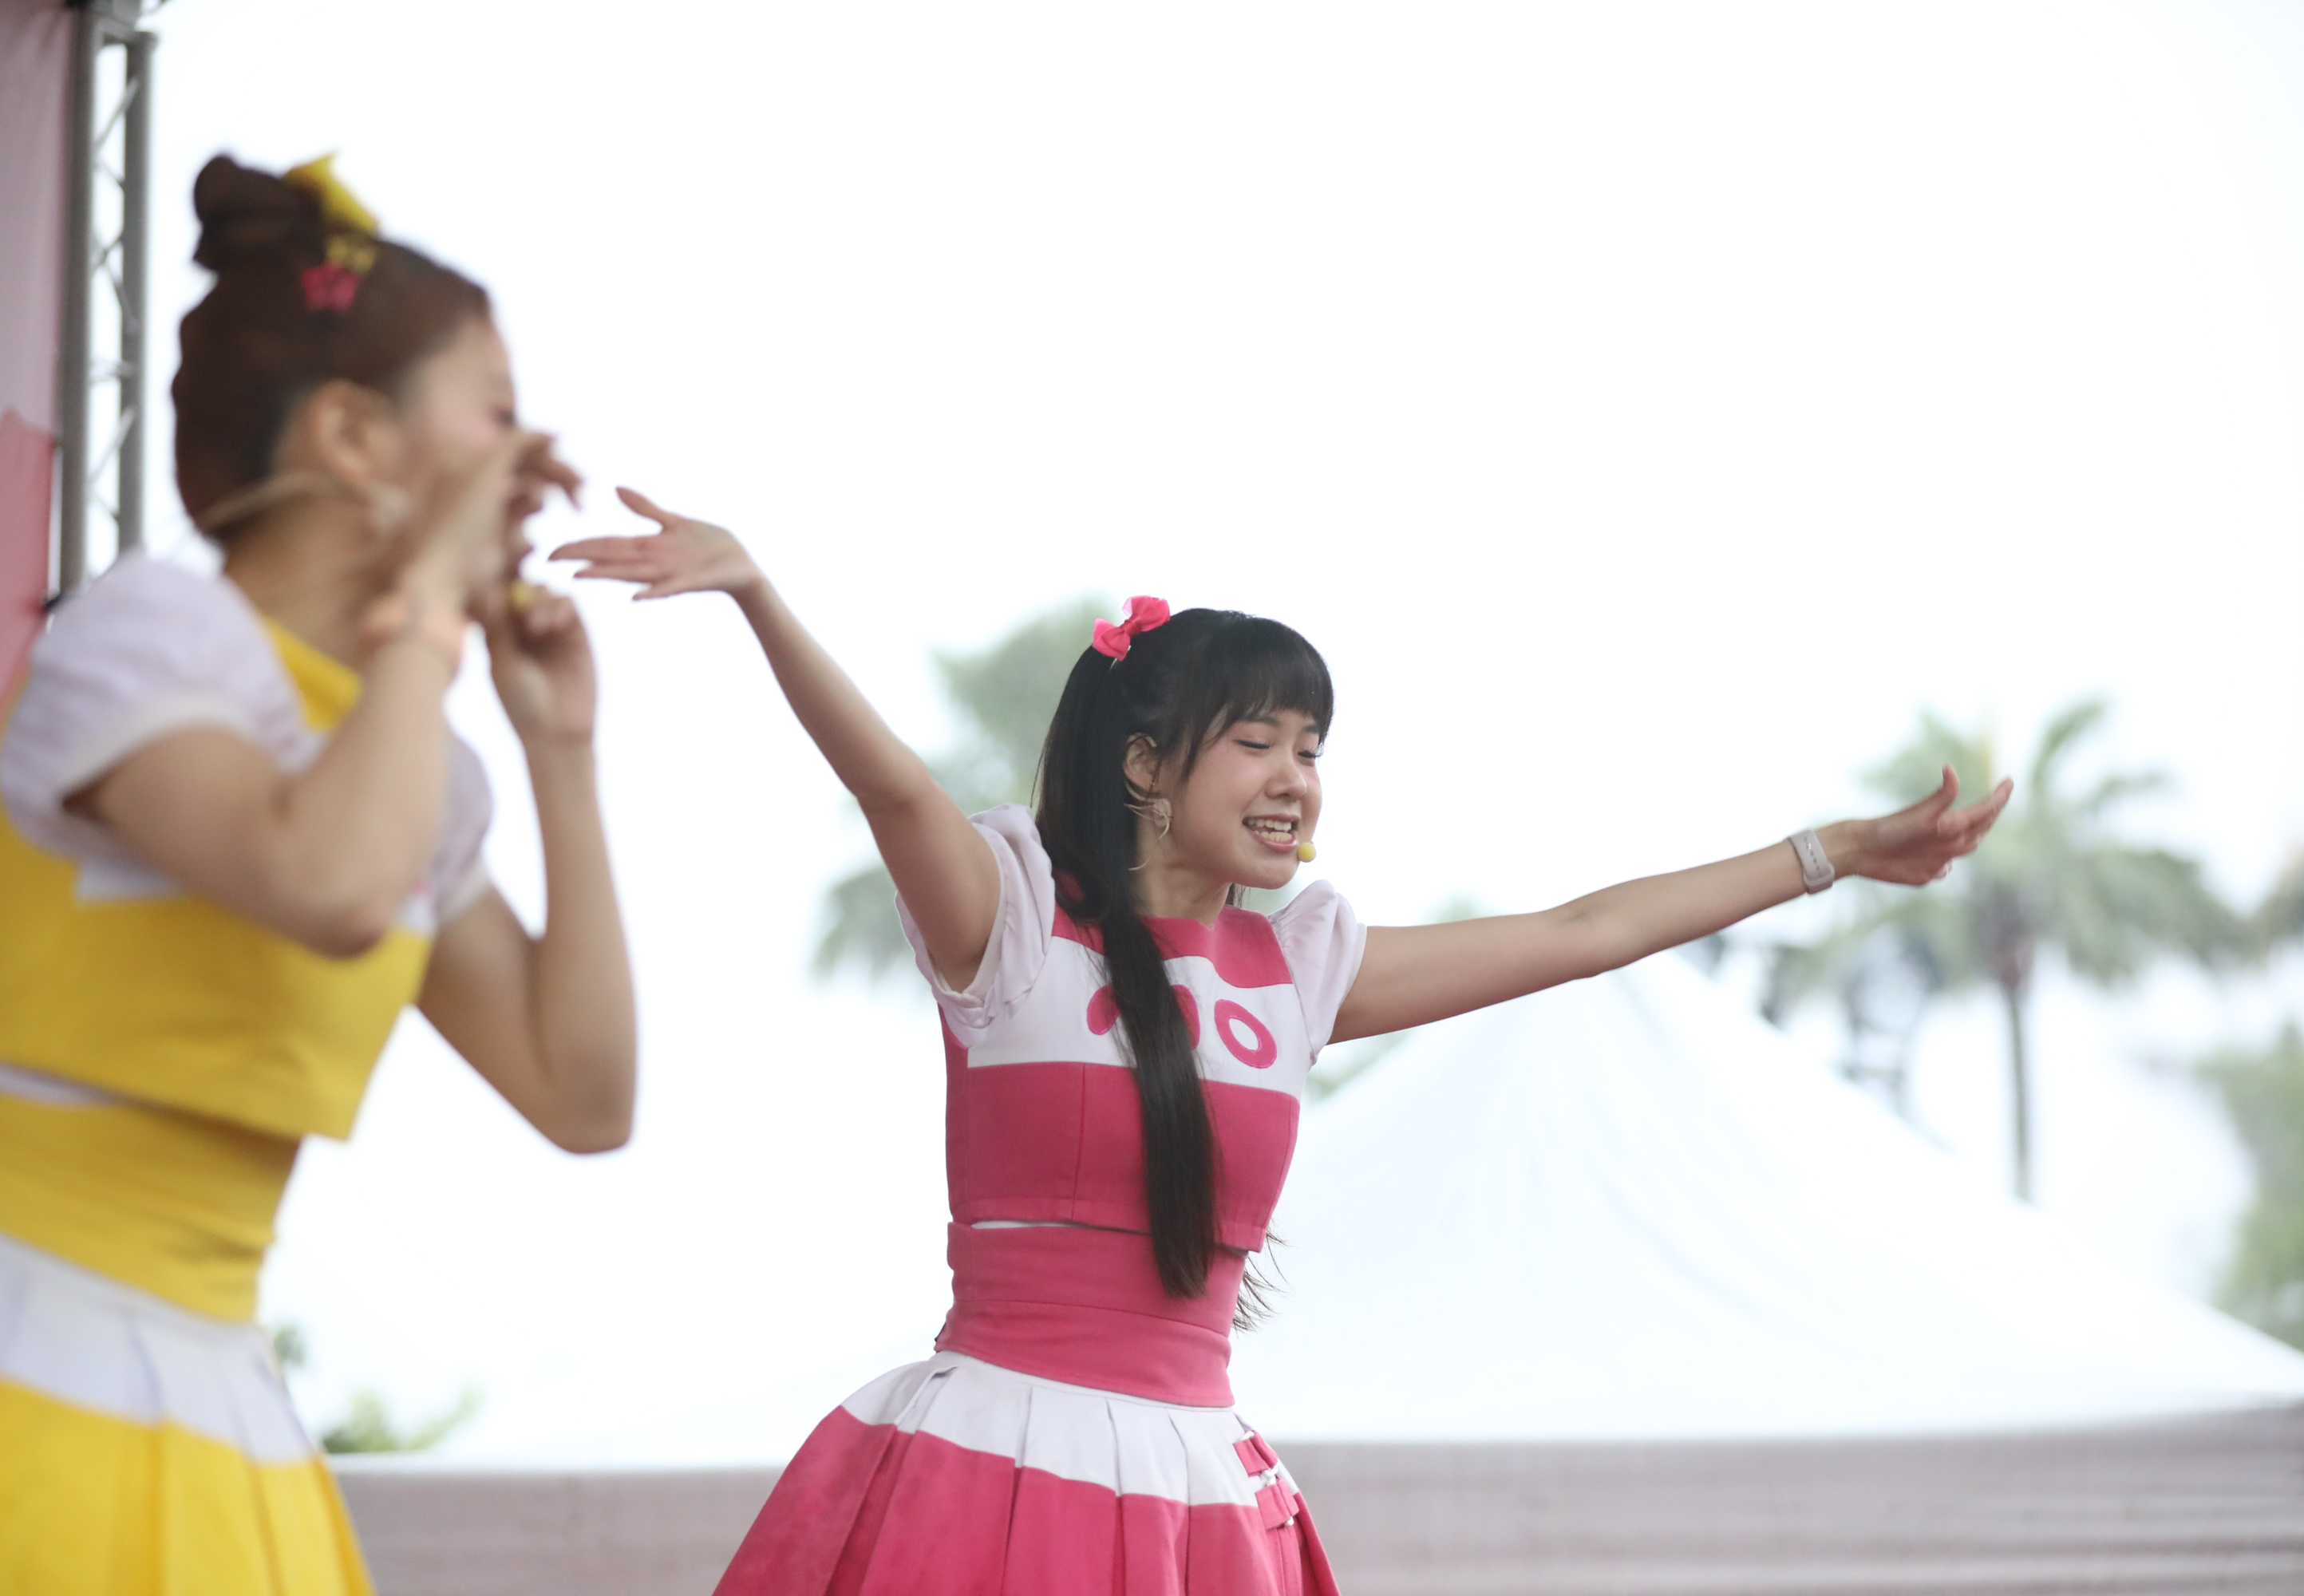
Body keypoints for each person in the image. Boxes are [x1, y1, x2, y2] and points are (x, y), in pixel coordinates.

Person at [560, 506, 2008, 1596]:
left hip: (1199, 1487)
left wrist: (1834, 853)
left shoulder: (1297, 970)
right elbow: (892, 788)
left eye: (1312, 748)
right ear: (1146, 763)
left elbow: (1586, 930)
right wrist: (756, 594)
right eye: (1259, 742)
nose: (1298, 781)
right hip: (990, 1460)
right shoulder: (1014, 928)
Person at [0, 156, 635, 1594]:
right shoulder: (152, 634)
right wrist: (430, 615)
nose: (534, 458)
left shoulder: (414, 763)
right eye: (495, 411)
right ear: (353, 434)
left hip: (217, 1400)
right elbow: (332, 885)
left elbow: (583, 1096)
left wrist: (562, 754)